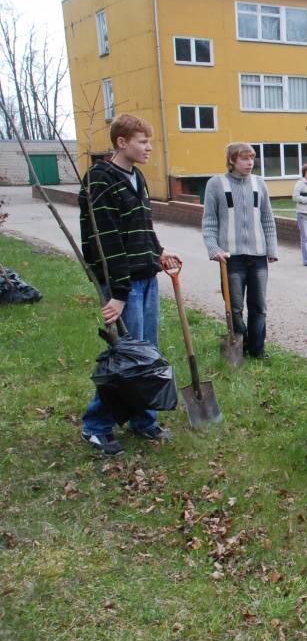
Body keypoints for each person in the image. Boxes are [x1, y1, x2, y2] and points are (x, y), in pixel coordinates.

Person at [79, 113, 183, 456]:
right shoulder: (101, 180)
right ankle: (96, 426)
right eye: (142, 141)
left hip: (145, 277)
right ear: (121, 143)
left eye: (149, 141)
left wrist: (159, 253)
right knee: (125, 359)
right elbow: (105, 242)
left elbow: (141, 226)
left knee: (145, 355)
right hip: (124, 284)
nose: (149, 147)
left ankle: (142, 420)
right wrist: (119, 294)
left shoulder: (136, 177)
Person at [202, 142, 278, 359]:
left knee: (259, 307)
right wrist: (214, 248)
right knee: (234, 308)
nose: (249, 163)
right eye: (244, 158)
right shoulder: (216, 184)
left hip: (258, 256)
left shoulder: (259, 183)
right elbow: (209, 220)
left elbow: (267, 218)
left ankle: (257, 350)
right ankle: (239, 347)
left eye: (252, 158)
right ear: (232, 160)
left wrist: (271, 248)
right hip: (230, 257)